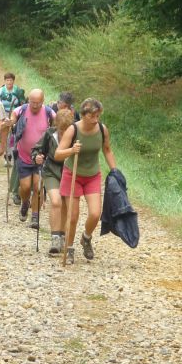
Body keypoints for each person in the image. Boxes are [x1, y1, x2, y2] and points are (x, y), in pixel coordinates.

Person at [53, 98, 117, 264]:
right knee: (73, 216)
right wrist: (71, 150)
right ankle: (69, 248)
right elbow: (58, 154)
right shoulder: (72, 130)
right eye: (92, 116)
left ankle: (86, 238)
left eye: (98, 116)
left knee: (95, 213)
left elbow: (107, 150)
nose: (96, 119)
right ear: (83, 115)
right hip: (72, 175)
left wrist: (115, 171)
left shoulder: (102, 129)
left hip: (92, 175)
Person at [8, 89, 55, 229]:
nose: (34, 105)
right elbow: (13, 115)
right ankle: (24, 202)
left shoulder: (48, 112)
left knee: (38, 187)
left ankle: (35, 216)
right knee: (25, 187)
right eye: (32, 102)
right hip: (24, 155)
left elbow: (58, 122)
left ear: (43, 101)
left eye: (38, 103)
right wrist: (10, 122)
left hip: (41, 157)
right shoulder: (22, 109)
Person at [31, 109, 74, 255]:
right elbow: (37, 150)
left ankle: (62, 235)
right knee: (56, 202)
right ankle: (55, 238)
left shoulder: (76, 135)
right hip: (51, 171)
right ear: (57, 126)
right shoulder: (50, 134)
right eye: (61, 129)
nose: (64, 132)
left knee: (65, 206)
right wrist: (37, 157)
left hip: (69, 172)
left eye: (67, 129)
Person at [0, 73, 26, 205]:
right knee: (5, 138)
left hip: (15, 118)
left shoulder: (18, 91)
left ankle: (12, 154)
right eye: (7, 80)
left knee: (13, 138)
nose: (9, 82)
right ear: (5, 81)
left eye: (11, 80)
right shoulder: (0, 91)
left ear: (13, 81)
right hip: (3, 117)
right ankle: (7, 155)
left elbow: (22, 103)